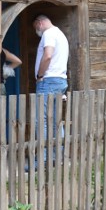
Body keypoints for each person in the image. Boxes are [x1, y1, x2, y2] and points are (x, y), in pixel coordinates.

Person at [33, 14, 68, 160]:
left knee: (42, 120)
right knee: (55, 121)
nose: (37, 31)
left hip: (48, 81)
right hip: (60, 80)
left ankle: (43, 159)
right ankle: (58, 156)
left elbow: (48, 55)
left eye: (35, 28)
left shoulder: (48, 34)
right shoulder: (60, 34)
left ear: (39, 23)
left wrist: (40, 75)